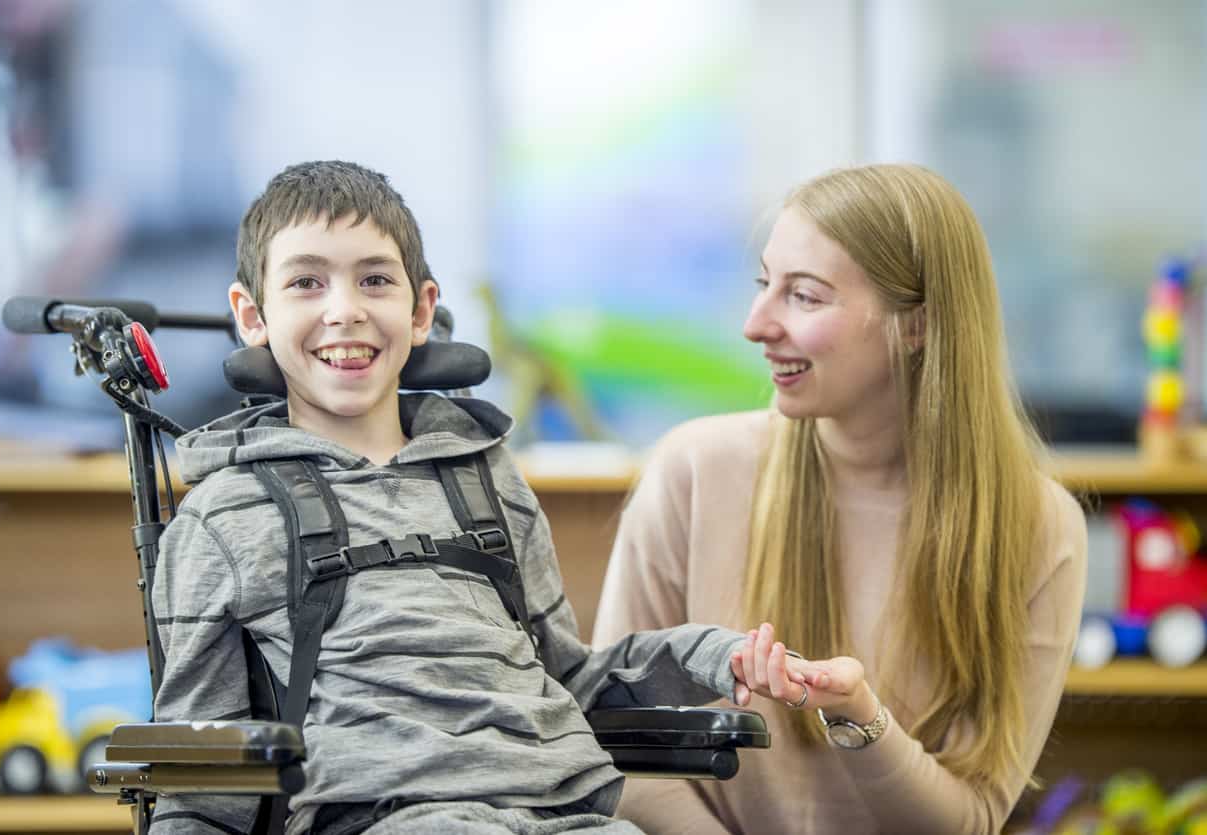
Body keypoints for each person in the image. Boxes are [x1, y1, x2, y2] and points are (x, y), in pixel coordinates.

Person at [151, 160, 794, 835]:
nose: (345, 309)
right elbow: (203, 776)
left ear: (422, 308)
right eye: (306, 283)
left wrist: (709, 655)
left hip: (562, 810)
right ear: (252, 315)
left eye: (374, 279)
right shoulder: (223, 514)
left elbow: (567, 677)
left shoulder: (488, 480)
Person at [593, 163, 1088, 834]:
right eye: (763, 284)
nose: (754, 323)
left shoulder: (1037, 525)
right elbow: (617, 753)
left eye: (803, 295)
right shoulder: (692, 470)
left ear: (915, 325)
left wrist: (861, 717)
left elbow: (970, 819)